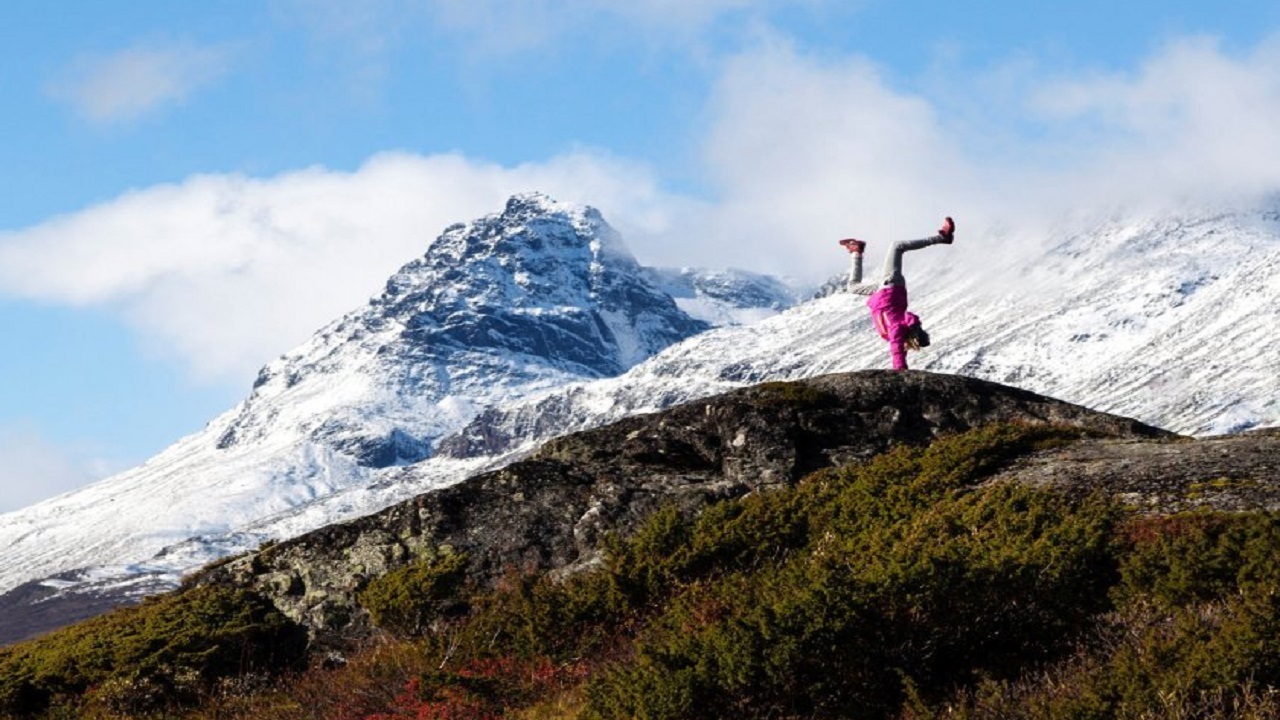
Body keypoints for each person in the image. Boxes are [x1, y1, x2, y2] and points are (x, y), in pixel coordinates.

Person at [838, 217, 955, 371]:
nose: (901, 345)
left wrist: (914, 332)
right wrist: (900, 369)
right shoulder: (899, 328)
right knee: (896, 246)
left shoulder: (894, 334)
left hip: (881, 293)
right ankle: (943, 238)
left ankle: (856, 250)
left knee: (852, 287)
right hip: (890, 286)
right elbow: (898, 348)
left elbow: (899, 348)